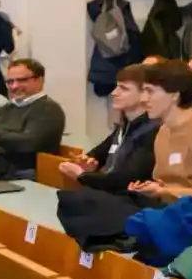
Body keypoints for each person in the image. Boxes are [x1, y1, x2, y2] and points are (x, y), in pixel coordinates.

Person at [127, 60, 192, 206]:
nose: (143, 99)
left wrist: (165, 192)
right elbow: (166, 184)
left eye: (150, 91)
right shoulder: (163, 131)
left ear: (175, 95)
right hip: (168, 209)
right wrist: (154, 189)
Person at [59, 63, 157, 194]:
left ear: (145, 94)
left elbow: (125, 181)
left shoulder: (152, 131)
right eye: (117, 86)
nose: (114, 93)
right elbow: (97, 154)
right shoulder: (124, 126)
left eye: (124, 88)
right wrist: (88, 162)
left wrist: (82, 175)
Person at [0, 58, 65, 178]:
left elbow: (29, 144)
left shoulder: (48, 109)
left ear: (40, 80)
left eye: (22, 80)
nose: (14, 86)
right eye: (9, 82)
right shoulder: (7, 108)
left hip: (26, 173)